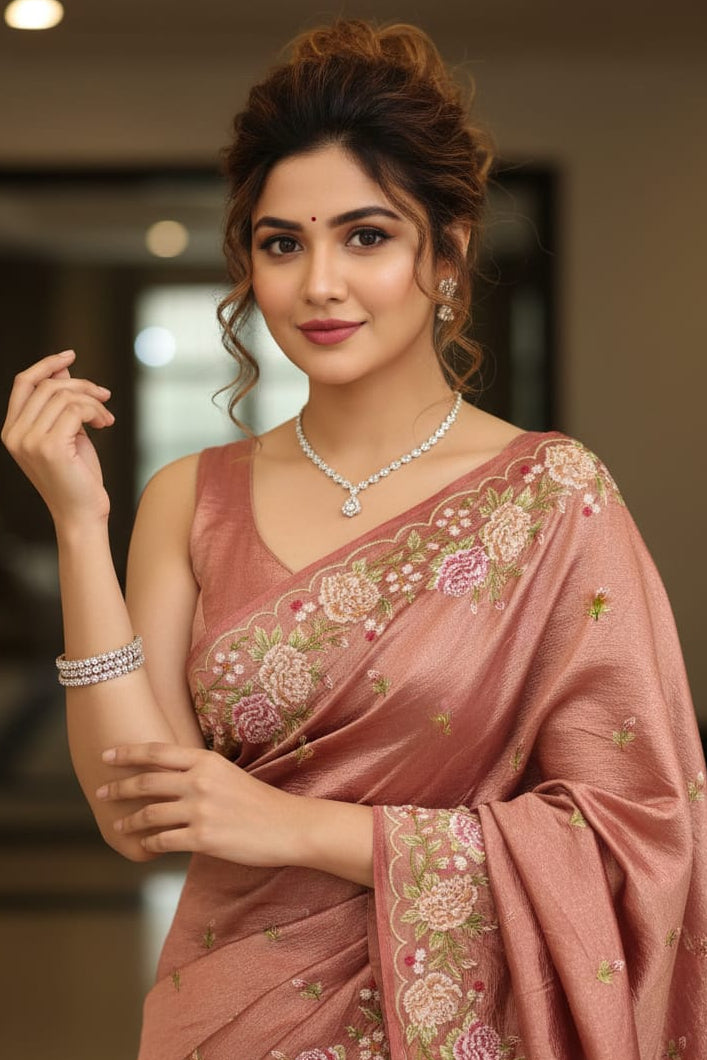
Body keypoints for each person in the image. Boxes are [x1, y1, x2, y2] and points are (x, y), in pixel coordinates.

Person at [2, 18, 706, 1060]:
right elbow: (134, 809)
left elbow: (637, 833)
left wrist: (302, 828)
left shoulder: (551, 498)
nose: (318, 283)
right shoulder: (191, 495)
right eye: (283, 243)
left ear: (447, 254)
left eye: (365, 236)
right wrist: (76, 520)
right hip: (226, 1016)